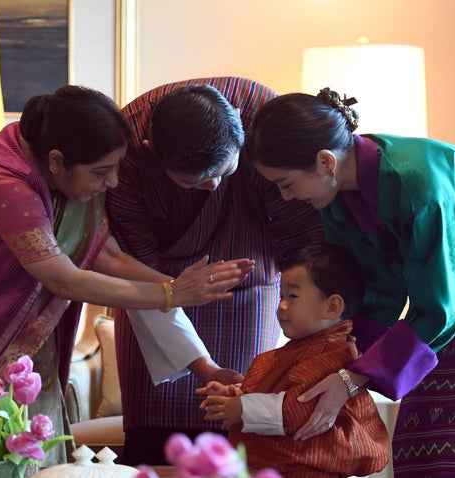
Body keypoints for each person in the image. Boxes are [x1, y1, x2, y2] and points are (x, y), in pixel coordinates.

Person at [0, 84, 252, 468]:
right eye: (103, 172)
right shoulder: (1, 180)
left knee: (35, 454)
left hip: (17, 334)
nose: (114, 182)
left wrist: (199, 353)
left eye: (117, 167)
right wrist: (172, 293)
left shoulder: (69, 174)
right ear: (55, 161)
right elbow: (63, 279)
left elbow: (111, 259)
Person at [243, 87, 455, 477]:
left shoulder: (418, 182)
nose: (285, 197)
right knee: (416, 432)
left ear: (325, 162)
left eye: (286, 183)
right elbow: (371, 294)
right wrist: (337, 368)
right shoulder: (337, 199)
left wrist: (352, 377)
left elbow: (437, 310)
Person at [104, 77, 325, 465]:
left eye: (224, 172)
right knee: (154, 440)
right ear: (152, 152)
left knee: (240, 418)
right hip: (153, 288)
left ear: (242, 128)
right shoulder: (125, 153)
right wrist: (199, 362)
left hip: (249, 281)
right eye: (193, 181)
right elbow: (131, 268)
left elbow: (303, 239)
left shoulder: (269, 124)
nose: (212, 187)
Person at [198, 244, 390, 477]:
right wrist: (239, 394)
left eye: (293, 296)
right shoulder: (303, 347)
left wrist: (243, 408)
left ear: (332, 307)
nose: (281, 305)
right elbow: (280, 393)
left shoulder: (333, 353)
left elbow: (300, 408)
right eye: (281, 295)